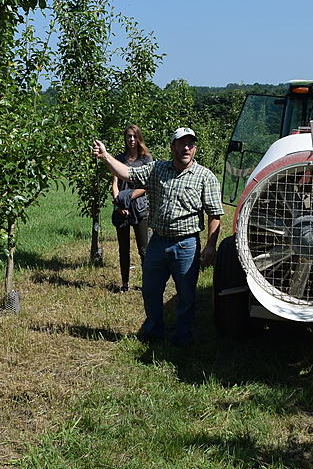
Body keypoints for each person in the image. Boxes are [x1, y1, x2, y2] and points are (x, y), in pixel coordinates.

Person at [93, 127, 223, 346]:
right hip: (158, 242)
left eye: (190, 144)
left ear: (195, 148)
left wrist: (211, 245)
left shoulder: (205, 176)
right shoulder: (156, 169)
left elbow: (215, 213)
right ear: (173, 147)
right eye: (181, 143)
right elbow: (126, 173)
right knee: (151, 290)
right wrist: (105, 156)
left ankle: (183, 338)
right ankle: (153, 331)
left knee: (186, 295)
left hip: (186, 244)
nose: (186, 148)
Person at [110, 124, 153, 293]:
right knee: (123, 249)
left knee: (144, 250)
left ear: (139, 138)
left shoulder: (146, 159)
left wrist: (127, 198)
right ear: (125, 138)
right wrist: (119, 203)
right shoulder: (119, 159)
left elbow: (147, 185)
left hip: (140, 208)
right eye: (129, 136)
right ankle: (125, 284)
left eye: (135, 136)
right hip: (121, 208)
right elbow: (114, 183)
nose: (132, 140)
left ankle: (147, 283)